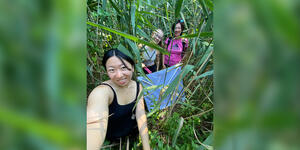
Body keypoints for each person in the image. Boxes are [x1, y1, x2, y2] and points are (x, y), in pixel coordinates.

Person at [87, 49, 150, 150]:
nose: (119, 75)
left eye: (123, 67)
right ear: (107, 71)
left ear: (132, 67)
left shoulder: (138, 87)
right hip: (111, 141)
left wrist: (147, 148)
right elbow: (93, 124)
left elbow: (140, 116)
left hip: (131, 137)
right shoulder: (102, 92)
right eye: (112, 70)